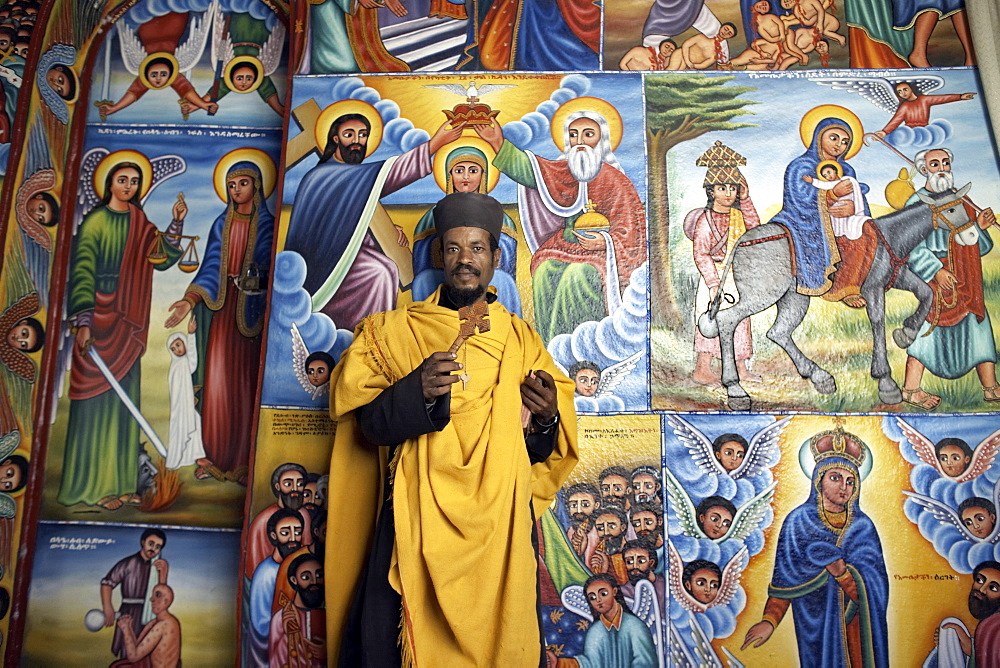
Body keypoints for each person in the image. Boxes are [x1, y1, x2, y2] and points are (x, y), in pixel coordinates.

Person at [327, 192, 577, 665]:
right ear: (439, 255)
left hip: (499, 530)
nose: (466, 261)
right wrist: (415, 390)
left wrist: (546, 418)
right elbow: (366, 428)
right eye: (455, 248)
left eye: (478, 249)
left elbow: (540, 451)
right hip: (413, 519)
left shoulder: (522, 341)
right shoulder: (394, 332)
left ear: (496, 258)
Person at [58, 161, 186, 510]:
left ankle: (125, 484)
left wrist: (176, 222)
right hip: (97, 324)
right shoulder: (95, 222)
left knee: (125, 406)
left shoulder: (138, 220)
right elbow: (83, 269)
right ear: (109, 184)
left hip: (126, 326)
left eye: (134, 181)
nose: (128, 186)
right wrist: (84, 321)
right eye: (122, 180)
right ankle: (94, 487)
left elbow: (160, 257)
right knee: (94, 404)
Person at [475, 109, 646, 343]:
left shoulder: (615, 180)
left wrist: (604, 242)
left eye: (588, 134)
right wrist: (497, 142)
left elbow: (631, 230)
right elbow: (530, 170)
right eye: (574, 135)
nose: (580, 141)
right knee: (545, 270)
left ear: (602, 139)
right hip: (564, 246)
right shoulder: (563, 171)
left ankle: (583, 344)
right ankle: (550, 344)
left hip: (601, 255)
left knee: (579, 275)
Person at [285, 112, 463, 331]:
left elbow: (348, 220)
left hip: (351, 256)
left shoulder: (354, 177)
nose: (357, 141)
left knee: (385, 268)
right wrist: (434, 144)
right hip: (326, 267)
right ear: (335, 139)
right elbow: (325, 232)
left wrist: (381, 233)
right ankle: (366, 337)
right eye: (349, 134)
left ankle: (375, 338)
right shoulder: (322, 176)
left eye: (363, 135)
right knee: (380, 271)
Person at [742, 425, 889, 666]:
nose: (844, 487)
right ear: (818, 479)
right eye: (835, 478)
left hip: (856, 635)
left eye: (850, 481)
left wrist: (843, 574)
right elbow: (786, 584)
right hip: (816, 629)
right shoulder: (798, 522)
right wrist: (769, 622)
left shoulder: (863, 527)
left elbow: (876, 592)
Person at [165, 160, 274, 482]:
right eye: (231, 185)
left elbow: (270, 263)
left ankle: (242, 461)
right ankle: (214, 457)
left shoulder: (266, 225)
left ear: (256, 185)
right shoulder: (221, 224)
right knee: (217, 387)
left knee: (244, 386)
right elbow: (211, 265)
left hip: (251, 316)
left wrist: (257, 279)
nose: (236, 189)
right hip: (221, 316)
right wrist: (190, 301)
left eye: (242, 183)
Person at [901, 147, 998, 409]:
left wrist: (980, 227)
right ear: (924, 169)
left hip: (965, 274)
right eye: (935, 164)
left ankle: (991, 388)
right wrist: (935, 270)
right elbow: (910, 248)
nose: (942, 168)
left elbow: (981, 247)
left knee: (978, 325)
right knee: (928, 328)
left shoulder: (961, 202)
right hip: (935, 276)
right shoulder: (916, 204)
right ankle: (910, 390)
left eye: (945, 162)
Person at [410, 144, 521, 314]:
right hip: (446, 286)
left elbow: (507, 263)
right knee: (423, 280)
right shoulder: (430, 218)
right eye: (459, 170)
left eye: (473, 170)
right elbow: (421, 260)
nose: (466, 176)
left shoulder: (520, 334)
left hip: (487, 283)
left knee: (504, 280)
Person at [686, 141, 761, 386]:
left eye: (733, 188)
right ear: (711, 191)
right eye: (722, 187)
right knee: (710, 319)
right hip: (714, 276)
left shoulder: (739, 215)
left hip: (736, 275)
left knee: (740, 320)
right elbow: (701, 254)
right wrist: (713, 283)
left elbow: (756, 231)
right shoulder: (705, 220)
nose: (728, 193)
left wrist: (747, 200)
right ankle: (702, 369)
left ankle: (740, 368)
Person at [769, 114, 869, 298]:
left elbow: (858, 197)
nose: (839, 145)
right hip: (804, 219)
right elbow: (798, 199)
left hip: (841, 220)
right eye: (834, 138)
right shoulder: (800, 166)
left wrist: (853, 209)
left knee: (862, 235)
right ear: (818, 137)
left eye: (845, 142)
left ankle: (848, 286)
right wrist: (831, 195)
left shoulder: (847, 170)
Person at [98, 13, 217, 119]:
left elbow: (134, 92)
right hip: (174, 22)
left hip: (148, 24)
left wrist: (114, 108)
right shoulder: (172, 75)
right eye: (157, 75)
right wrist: (204, 105)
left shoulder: (149, 74)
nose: (158, 78)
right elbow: (185, 89)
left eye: (158, 74)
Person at [544, 572, 657, 668]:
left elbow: (645, 663)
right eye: (592, 597)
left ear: (614, 592)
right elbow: (590, 663)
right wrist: (559, 663)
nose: (598, 600)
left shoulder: (635, 626)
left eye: (603, 593)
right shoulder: (596, 630)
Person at [246, 508, 304, 667]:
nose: (293, 538)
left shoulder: (303, 567)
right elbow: (261, 625)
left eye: (297, 532)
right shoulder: (266, 573)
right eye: (285, 533)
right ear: (273, 536)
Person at [101, 529, 169, 662]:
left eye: (157, 547)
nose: (153, 549)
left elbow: (161, 593)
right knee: (128, 653)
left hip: (151, 614)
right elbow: (107, 584)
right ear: (143, 542)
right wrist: (107, 607)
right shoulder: (128, 563)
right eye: (151, 543)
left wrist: (163, 575)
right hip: (129, 613)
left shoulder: (158, 567)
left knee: (149, 654)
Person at [930, 561, 1000, 667]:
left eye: (993, 588)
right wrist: (959, 641)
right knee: (950, 625)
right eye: (979, 580)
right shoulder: (988, 624)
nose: (981, 589)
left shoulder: (993, 624)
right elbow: (987, 655)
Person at [269, 553, 326, 668]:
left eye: (319, 575)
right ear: (294, 580)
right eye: (306, 577)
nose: (314, 582)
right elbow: (274, 658)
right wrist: (287, 634)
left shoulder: (326, 616)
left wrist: (327, 651)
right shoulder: (282, 617)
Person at [164, 317, 205, 471]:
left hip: (186, 404)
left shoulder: (183, 363)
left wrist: (191, 335)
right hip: (180, 406)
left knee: (195, 422)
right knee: (183, 429)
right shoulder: (177, 365)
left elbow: (192, 362)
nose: (177, 350)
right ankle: (175, 460)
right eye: (173, 348)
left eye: (178, 345)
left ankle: (196, 456)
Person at [114, 584, 182, 668]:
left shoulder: (164, 625)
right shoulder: (155, 622)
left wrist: (125, 629)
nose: (151, 599)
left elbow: (133, 656)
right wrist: (128, 627)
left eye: (157, 595)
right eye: (152, 595)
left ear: (166, 601)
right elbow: (137, 647)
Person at [875, 82, 975, 138]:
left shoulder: (924, 100)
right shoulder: (904, 106)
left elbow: (942, 98)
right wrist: (884, 132)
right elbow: (896, 120)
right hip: (910, 133)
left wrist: (960, 96)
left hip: (926, 131)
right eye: (900, 92)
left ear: (911, 89)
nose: (903, 93)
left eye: (905, 89)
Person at [565, 482, 601, 563]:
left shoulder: (601, 530)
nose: (579, 510)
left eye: (585, 505)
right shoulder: (569, 531)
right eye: (573, 505)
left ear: (596, 505)